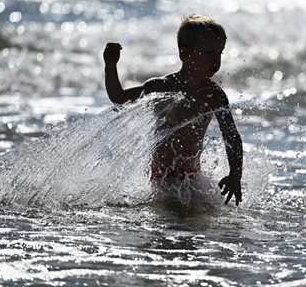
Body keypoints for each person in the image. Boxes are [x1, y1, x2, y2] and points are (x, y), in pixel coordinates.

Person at [103, 14, 243, 205]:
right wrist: (111, 66)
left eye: (220, 53)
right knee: (167, 226)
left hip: (192, 176)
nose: (216, 60)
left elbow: (232, 136)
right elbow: (119, 98)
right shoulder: (160, 87)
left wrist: (235, 175)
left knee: (194, 228)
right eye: (209, 53)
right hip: (161, 175)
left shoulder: (214, 96)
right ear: (185, 54)